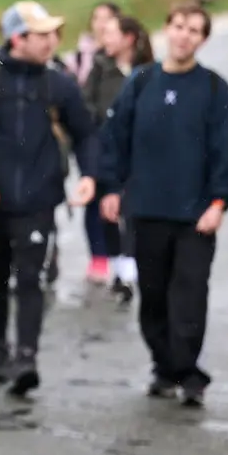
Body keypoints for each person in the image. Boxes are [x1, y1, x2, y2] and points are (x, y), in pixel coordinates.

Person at [99, 1, 228, 408]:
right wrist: (111, 187)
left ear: (203, 39)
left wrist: (219, 201)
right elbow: (116, 139)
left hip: (196, 216)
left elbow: (225, 151)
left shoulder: (214, 88)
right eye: (178, 26)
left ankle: (189, 372)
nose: (184, 35)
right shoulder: (142, 82)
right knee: (154, 297)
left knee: (190, 297)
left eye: (194, 30)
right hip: (146, 210)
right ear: (167, 29)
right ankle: (166, 367)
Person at [0, 0, 99, 396]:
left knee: (30, 280)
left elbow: (86, 133)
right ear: (17, 38)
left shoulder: (60, 83)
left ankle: (26, 358)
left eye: (54, 33)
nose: (52, 41)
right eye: (42, 34)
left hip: (40, 200)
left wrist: (89, 174)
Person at [81, 15, 153, 299]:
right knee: (102, 208)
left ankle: (129, 263)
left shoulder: (147, 71)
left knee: (133, 209)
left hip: (139, 155)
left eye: (111, 34)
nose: (104, 39)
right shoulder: (100, 68)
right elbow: (86, 105)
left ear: (129, 38)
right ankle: (110, 260)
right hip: (106, 149)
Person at [68, 1, 121, 86]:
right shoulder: (78, 58)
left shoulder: (125, 53)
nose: (101, 25)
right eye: (96, 18)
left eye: (107, 19)